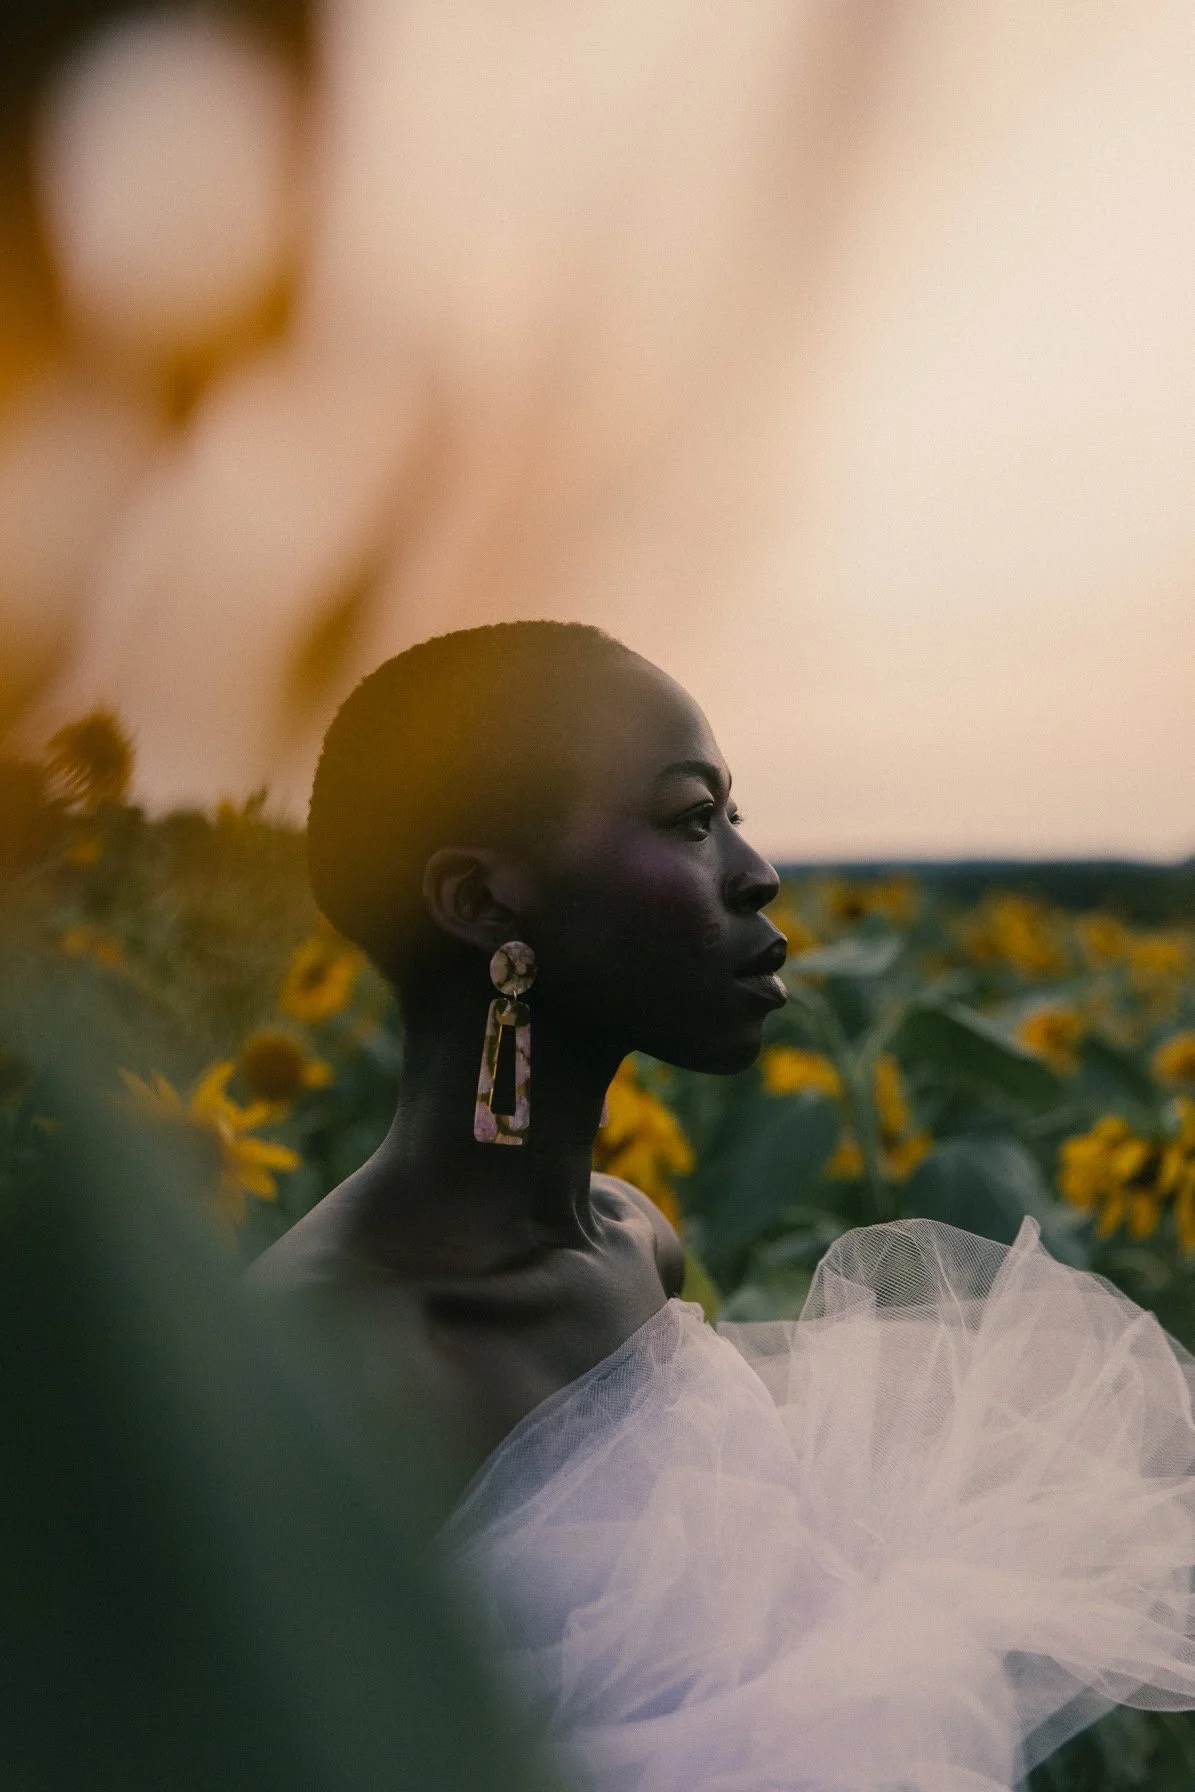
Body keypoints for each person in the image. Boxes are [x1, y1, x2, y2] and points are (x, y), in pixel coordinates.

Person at [251, 621, 1195, 1792]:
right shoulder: (325, 1358)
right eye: (693, 819)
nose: (755, 871)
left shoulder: (632, 1240)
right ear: (484, 901)